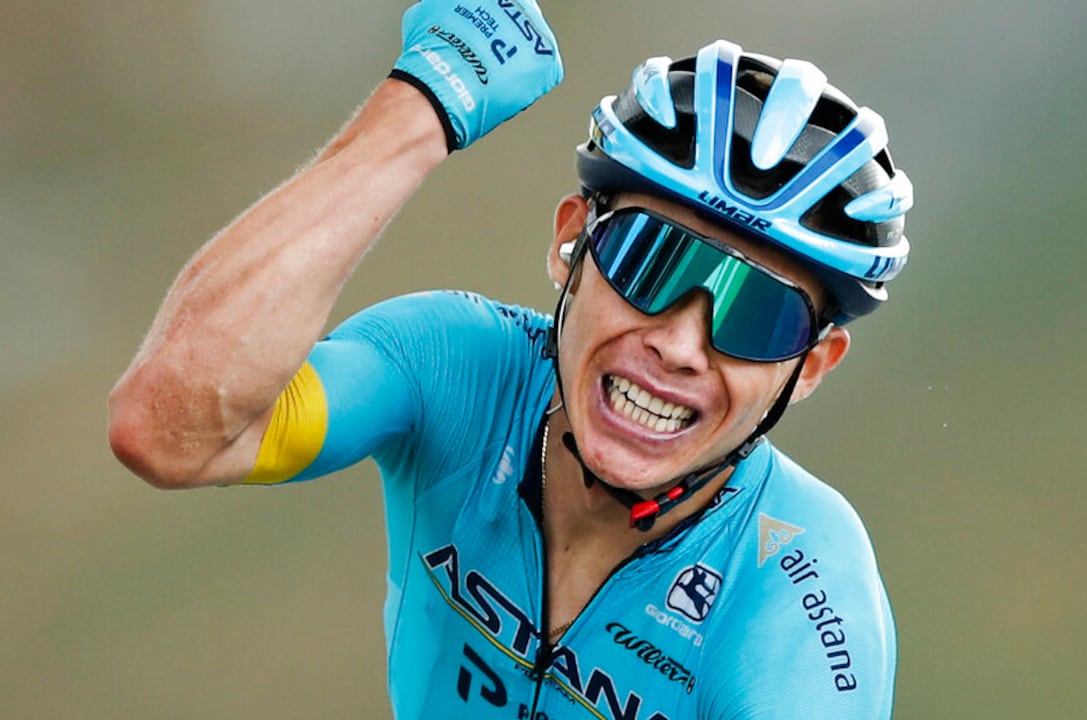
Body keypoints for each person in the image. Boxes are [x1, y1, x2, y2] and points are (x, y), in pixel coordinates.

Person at [107, 1, 914, 717]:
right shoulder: (458, 370)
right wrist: (421, 111)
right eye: (649, 260)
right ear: (572, 243)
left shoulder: (799, 587)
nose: (676, 345)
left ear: (810, 366)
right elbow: (169, 429)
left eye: (759, 316)